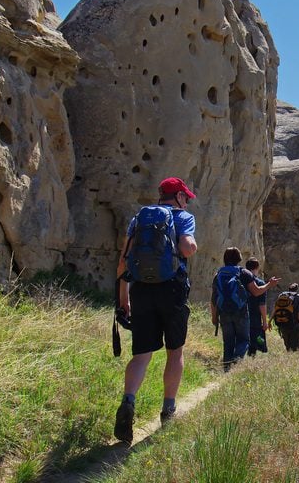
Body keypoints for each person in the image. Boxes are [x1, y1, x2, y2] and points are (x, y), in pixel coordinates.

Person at [113, 177, 198, 444]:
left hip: (141, 289)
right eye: (185, 196)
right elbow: (187, 247)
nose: (186, 200)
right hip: (171, 289)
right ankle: (168, 410)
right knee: (175, 351)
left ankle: (128, 401)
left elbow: (122, 262)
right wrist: (192, 247)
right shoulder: (183, 217)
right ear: (180, 197)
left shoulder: (139, 219)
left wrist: (124, 297)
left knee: (141, 354)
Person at [210, 247, 280, 372]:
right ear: (239, 259)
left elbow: (213, 299)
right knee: (244, 340)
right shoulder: (244, 273)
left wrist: (214, 317)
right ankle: (236, 362)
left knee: (228, 341)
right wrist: (269, 284)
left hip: (224, 312)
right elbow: (257, 292)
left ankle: (227, 369)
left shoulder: (218, 275)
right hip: (241, 312)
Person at [245, 257, 269, 356]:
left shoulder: (242, 281)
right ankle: (252, 358)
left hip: (241, 314)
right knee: (255, 341)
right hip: (254, 318)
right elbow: (262, 305)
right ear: (257, 267)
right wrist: (265, 321)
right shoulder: (260, 283)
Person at [271, 283, 299, 351]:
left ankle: (288, 353)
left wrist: (270, 320)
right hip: (294, 324)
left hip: (283, 322)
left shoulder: (282, 295)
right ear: (297, 289)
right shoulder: (298, 297)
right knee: (296, 345)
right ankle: (294, 358)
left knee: (287, 343)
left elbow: (276, 308)